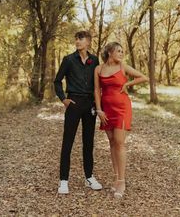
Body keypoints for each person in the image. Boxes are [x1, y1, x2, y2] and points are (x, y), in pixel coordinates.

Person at [94, 42, 148, 198]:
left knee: (119, 141)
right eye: (119, 51)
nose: (122, 53)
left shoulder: (123, 67)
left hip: (122, 108)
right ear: (110, 52)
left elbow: (143, 77)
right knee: (111, 142)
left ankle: (122, 181)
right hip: (106, 110)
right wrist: (99, 110)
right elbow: (97, 90)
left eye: (123, 51)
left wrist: (128, 83)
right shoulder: (99, 69)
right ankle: (116, 178)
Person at [54, 30, 102, 194]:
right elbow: (57, 81)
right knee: (67, 142)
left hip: (90, 105)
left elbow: (98, 83)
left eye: (81, 38)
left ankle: (89, 177)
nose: (77, 41)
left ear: (88, 41)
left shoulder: (95, 60)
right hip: (73, 103)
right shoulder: (68, 60)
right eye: (76, 38)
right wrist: (63, 99)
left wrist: (98, 104)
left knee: (88, 142)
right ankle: (63, 181)